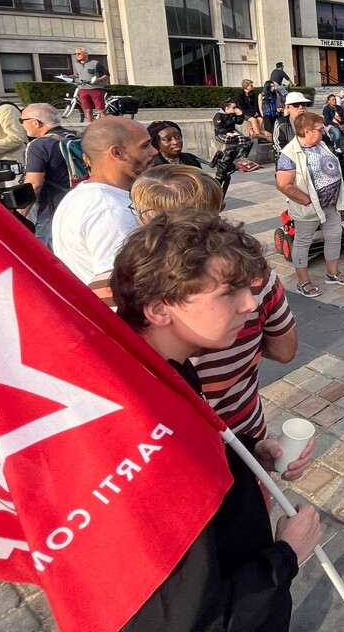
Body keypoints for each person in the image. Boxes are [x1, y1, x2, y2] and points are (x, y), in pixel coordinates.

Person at [112, 212, 321, 631]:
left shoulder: (165, 370)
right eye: (229, 293)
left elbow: (201, 446)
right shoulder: (137, 427)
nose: (249, 303)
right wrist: (286, 556)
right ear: (159, 310)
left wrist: (246, 452)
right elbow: (191, 618)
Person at [127, 166, 298, 439]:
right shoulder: (259, 278)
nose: (248, 304)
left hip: (222, 443)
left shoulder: (101, 293)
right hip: (213, 435)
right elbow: (284, 350)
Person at [52, 118, 154, 283]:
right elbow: (115, 284)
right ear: (117, 153)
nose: (154, 151)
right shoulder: (109, 210)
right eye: (145, 146)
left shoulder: (84, 196)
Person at [275, 111, 344, 294]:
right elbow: (283, 184)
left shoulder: (320, 145)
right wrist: (307, 200)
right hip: (308, 209)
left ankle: (333, 274)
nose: (324, 131)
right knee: (303, 242)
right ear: (308, 131)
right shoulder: (289, 154)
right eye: (320, 129)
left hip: (330, 206)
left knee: (334, 238)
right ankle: (303, 282)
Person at [20, 102, 76, 247]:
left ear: (35, 122)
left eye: (22, 120)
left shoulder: (39, 145)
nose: (21, 125)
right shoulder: (74, 137)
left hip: (52, 212)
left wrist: (19, 215)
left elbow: (34, 184)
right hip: (77, 205)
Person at [212, 99, 254, 198]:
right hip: (222, 133)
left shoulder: (232, 114)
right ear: (227, 108)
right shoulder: (219, 115)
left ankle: (242, 156)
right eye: (233, 108)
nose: (235, 109)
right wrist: (226, 132)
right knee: (230, 139)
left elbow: (239, 122)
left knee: (242, 139)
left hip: (232, 131)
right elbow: (218, 128)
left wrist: (240, 114)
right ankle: (232, 156)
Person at [72, 47, 109, 120]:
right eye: (75, 54)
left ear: (85, 54)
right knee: (88, 110)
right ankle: (92, 126)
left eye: (79, 53)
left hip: (95, 89)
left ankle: (106, 126)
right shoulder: (77, 64)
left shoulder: (95, 63)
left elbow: (107, 74)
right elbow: (78, 74)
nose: (77, 55)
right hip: (82, 89)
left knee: (101, 110)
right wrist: (67, 76)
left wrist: (98, 79)